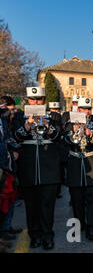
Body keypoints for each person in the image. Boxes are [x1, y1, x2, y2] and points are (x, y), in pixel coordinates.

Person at [14, 87, 62, 250]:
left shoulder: (54, 116)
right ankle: (34, 236)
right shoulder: (20, 116)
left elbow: (58, 137)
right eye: (32, 99)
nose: (35, 102)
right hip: (28, 169)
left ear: (44, 100)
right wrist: (28, 123)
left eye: (39, 99)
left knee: (47, 206)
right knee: (31, 206)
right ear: (27, 100)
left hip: (49, 170)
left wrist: (46, 123)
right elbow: (15, 138)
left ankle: (48, 236)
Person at [64, 97, 93, 241]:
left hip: (92, 163)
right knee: (77, 200)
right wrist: (73, 131)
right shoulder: (69, 124)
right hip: (75, 165)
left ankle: (91, 228)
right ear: (78, 109)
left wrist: (91, 134)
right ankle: (79, 226)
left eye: (88, 109)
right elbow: (64, 142)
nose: (86, 112)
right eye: (83, 109)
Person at [0, 96, 22, 238]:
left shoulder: (4, 120)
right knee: (3, 199)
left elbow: (7, 138)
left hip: (8, 164)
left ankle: (7, 227)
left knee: (10, 197)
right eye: (11, 108)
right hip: (2, 165)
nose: (12, 111)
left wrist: (14, 148)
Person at [48, 102, 65, 199]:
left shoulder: (56, 117)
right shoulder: (54, 116)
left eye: (56, 109)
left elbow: (58, 131)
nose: (54, 112)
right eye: (53, 110)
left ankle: (57, 190)